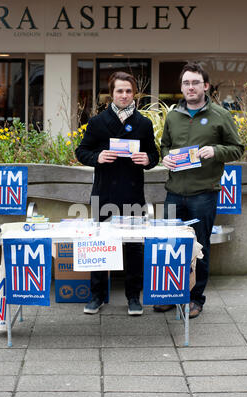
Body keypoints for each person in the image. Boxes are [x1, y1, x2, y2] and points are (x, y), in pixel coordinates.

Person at [154, 62, 244, 318]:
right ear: (181, 87)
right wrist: (165, 158)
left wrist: (216, 151)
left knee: (199, 247)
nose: (190, 87)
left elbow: (237, 148)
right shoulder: (172, 116)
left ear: (205, 86)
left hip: (203, 193)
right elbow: (165, 146)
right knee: (168, 245)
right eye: (186, 83)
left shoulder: (220, 115)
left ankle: (196, 299)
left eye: (195, 82)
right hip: (174, 191)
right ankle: (169, 295)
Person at [76, 71, 159, 316]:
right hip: (105, 193)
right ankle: (97, 295)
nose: (124, 95)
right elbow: (82, 152)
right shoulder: (98, 122)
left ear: (135, 94)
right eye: (119, 90)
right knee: (101, 244)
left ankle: (134, 296)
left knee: (134, 247)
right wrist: (97, 157)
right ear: (111, 93)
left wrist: (148, 159)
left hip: (133, 194)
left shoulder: (143, 123)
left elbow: (154, 156)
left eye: (128, 91)